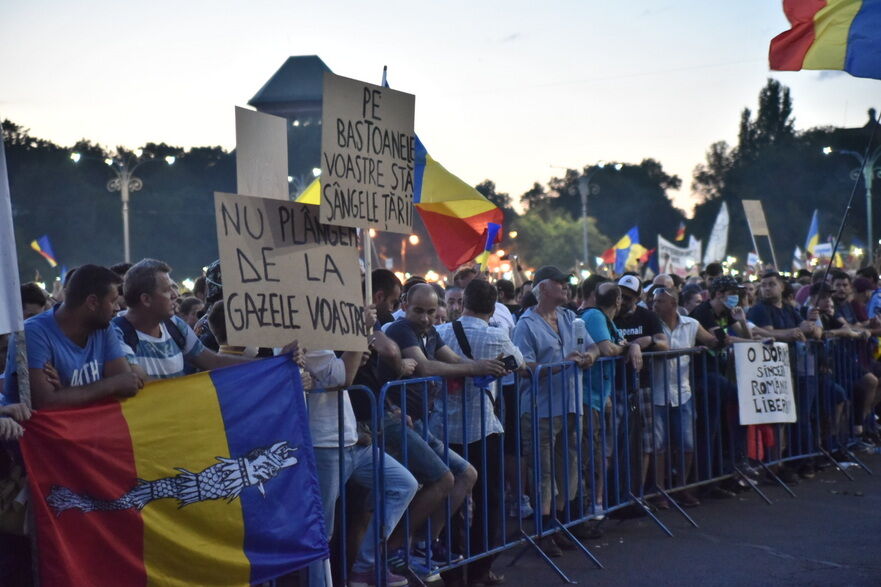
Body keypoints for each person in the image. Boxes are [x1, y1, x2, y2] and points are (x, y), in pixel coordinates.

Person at [381, 284, 504, 578]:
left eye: (431, 311)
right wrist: (475, 369)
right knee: (442, 479)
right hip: (395, 422)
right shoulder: (400, 330)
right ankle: (396, 548)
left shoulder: (431, 331)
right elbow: (424, 368)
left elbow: (454, 360)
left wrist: (484, 366)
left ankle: (425, 543)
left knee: (467, 475)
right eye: (418, 311)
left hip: (420, 422)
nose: (425, 318)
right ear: (404, 305)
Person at [432, 279, 524, 586]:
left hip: (443, 430)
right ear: (494, 305)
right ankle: (480, 568)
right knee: (489, 503)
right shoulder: (497, 336)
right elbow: (519, 362)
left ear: (463, 302)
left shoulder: (441, 333)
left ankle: (452, 568)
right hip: (483, 429)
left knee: (450, 503)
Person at [513, 266, 595, 556]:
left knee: (568, 467)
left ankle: (558, 525)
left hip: (571, 403)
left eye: (566, 282)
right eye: (560, 282)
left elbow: (593, 349)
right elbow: (524, 368)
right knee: (543, 471)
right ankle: (543, 531)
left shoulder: (570, 317)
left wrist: (588, 358)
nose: (566, 286)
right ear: (543, 288)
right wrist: (563, 364)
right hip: (541, 409)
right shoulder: (526, 325)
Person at [2, 265, 143, 409]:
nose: (117, 308)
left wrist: (65, 392)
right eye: (112, 301)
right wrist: (111, 384)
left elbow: (127, 386)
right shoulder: (34, 333)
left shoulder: (103, 328)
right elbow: (45, 402)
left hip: (85, 428)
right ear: (92, 302)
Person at [650, 286, 721, 508]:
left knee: (687, 443)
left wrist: (717, 333)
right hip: (656, 392)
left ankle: (681, 487)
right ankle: (660, 491)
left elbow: (713, 341)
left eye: (660, 301)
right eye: (653, 301)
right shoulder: (651, 324)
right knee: (658, 446)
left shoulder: (691, 324)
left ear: (673, 304)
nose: (655, 305)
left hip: (683, 391)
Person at [612, 275, 669, 499]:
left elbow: (665, 344)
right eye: (618, 295)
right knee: (612, 441)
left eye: (626, 297)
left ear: (638, 297)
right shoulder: (610, 316)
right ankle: (611, 494)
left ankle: (638, 492)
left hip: (642, 386)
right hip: (615, 386)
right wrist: (631, 346)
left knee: (647, 439)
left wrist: (648, 342)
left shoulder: (647, 316)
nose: (621, 301)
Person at [747, 271, 821, 342]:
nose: (767, 288)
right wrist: (799, 330)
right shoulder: (759, 308)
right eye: (763, 285)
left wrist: (811, 323)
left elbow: (812, 331)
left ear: (782, 287)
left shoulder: (789, 308)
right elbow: (768, 333)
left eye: (772, 284)